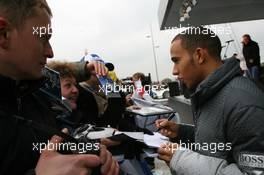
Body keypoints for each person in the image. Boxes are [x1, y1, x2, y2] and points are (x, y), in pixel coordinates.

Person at [0, 1, 118, 175]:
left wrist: (87, 152)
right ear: (4, 34)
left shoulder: (32, 91)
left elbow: (57, 73)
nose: (50, 52)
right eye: (43, 38)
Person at [155, 27, 264, 174]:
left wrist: (181, 159)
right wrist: (182, 132)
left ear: (199, 55)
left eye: (176, 61)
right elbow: (219, 142)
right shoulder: (208, 93)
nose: (174, 71)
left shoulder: (243, 104)